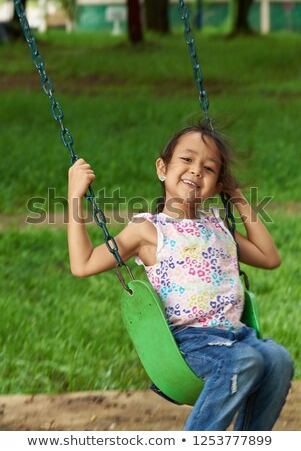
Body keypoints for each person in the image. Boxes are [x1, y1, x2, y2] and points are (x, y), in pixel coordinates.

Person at [67, 124, 293, 431]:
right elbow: (84, 263)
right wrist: (75, 196)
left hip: (238, 336)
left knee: (278, 359)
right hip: (191, 343)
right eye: (187, 160)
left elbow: (269, 257)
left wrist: (237, 196)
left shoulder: (218, 226)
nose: (197, 171)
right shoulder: (148, 230)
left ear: (217, 185)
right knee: (243, 361)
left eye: (209, 168)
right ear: (162, 168)